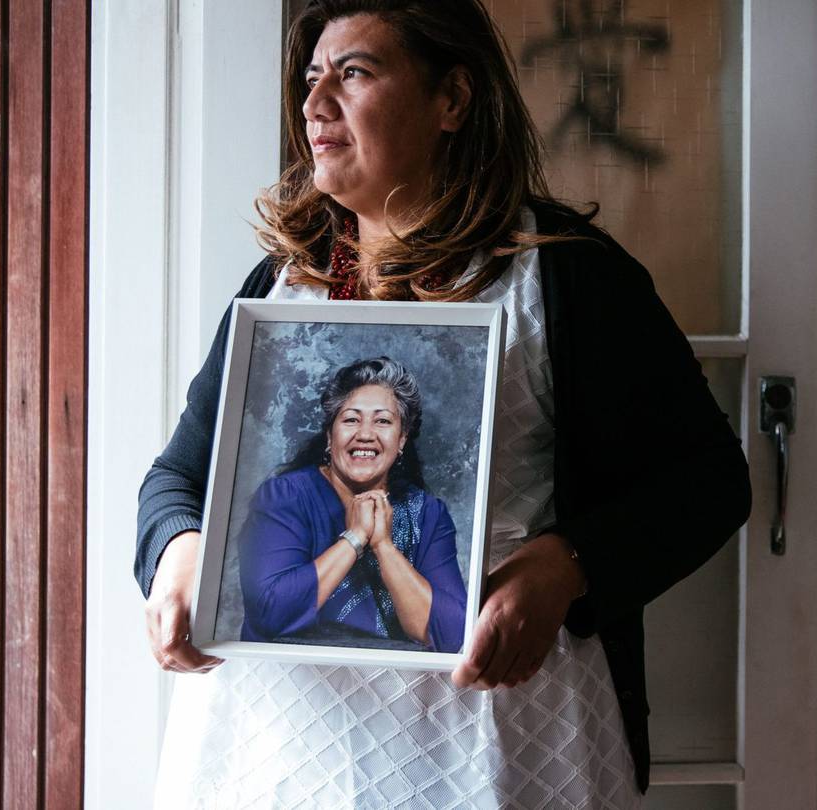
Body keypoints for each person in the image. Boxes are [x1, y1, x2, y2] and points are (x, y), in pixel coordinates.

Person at [134, 1, 750, 805]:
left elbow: (709, 481)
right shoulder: (285, 285)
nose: (316, 105)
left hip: (498, 740)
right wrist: (178, 559)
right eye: (313, 79)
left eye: (353, 73)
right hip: (270, 751)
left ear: (452, 100)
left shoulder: (563, 280)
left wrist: (567, 567)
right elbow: (180, 475)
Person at [237, 356, 467, 653]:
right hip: (291, 682)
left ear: (401, 440)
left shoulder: (427, 514)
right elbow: (270, 615)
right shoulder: (284, 497)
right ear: (330, 436)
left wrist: (383, 547)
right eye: (351, 419)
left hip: (395, 685)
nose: (366, 434)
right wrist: (355, 539)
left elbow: (452, 636)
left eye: (383, 421)